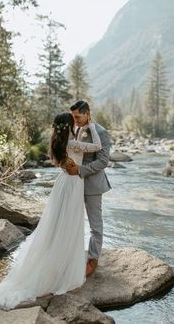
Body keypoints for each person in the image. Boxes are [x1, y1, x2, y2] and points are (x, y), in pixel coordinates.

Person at [0, 112, 102, 310]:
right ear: (68, 126)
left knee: (58, 225)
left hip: (64, 184)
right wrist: (93, 126)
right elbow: (97, 146)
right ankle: (61, 272)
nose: (77, 122)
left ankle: (57, 264)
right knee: (69, 226)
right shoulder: (72, 143)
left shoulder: (59, 143)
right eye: (74, 121)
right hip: (72, 186)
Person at [68, 100, 111, 277]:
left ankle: (93, 259)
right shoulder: (76, 129)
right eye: (73, 117)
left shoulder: (101, 132)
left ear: (87, 113)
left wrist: (79, 170)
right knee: (72, 222)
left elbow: (103, 161)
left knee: (95, 226)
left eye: (78, 117)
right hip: (75, 183)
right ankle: (71, 256)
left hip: (92, 185)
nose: (75, 120)